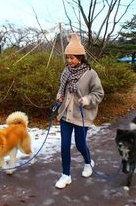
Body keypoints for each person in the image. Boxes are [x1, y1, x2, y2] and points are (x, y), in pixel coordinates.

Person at [54, 33, 104, 189]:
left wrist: (86, 99)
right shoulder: (66, 71)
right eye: (67, 57)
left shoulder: (90, 74)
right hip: (65, 115)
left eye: (72, 58)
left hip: (81, 115)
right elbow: (62, 89)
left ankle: (89, 162)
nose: (69, 61)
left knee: (81, 144)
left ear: (81, 57)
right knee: (64, 145)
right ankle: (65, 175)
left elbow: (99, 93)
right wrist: (59, 96)